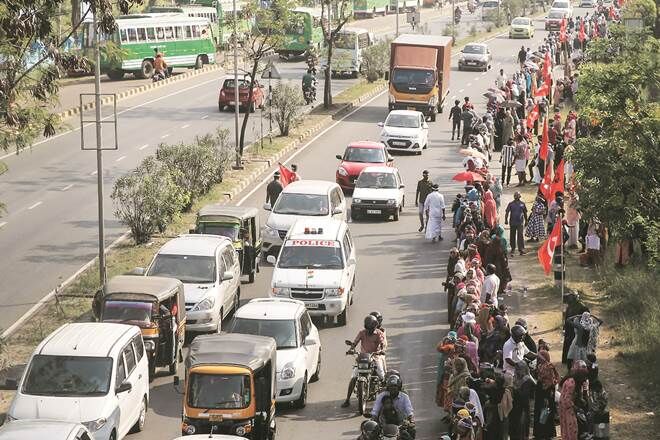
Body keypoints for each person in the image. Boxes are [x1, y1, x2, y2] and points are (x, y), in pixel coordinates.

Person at [342, 315, 386, 408]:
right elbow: (355, 342)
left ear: (374, 327)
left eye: (371, 328)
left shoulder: (379, 333)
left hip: (374, 356)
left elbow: (382, 344)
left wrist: (381, 350)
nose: (369, 330)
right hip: (363, 357)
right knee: (354, 377)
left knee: (382, 375)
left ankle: (386, 399)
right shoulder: (362, 333)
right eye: (367, 328)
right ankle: (347, 399)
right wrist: (351, 349)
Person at [559, 361, 590, 440]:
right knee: (571, 430)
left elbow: (579, 396)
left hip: (570, 407)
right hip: (567, 408)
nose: (584, 378)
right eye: (583, 376)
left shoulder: (577, 381)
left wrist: (584, 393)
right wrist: (576, 408)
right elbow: (566, 400)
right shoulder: (571, 382)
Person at [533, 349, 560, 440]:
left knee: (545, 412)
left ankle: (546, 433)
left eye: (540, 357)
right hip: (542, 393)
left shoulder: (548, 368)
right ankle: (541, 433)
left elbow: (550, 382)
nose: (538, 358)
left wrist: (546, 395)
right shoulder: (541, 366)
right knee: (541, 413)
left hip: (546, 394)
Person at [504, 192, 528, 256]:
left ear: (520, 196)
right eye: (515, 195)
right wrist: (506, 219)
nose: (516, 196)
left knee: (520, 235)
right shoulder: (511, 204)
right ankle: (513, 248)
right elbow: (507, 212)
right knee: (512, 235)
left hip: (520, 222)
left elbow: (525, 213)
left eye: (517, 195)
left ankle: (521, 249)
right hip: (512, 222)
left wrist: (526, 221)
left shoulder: (522, 204)